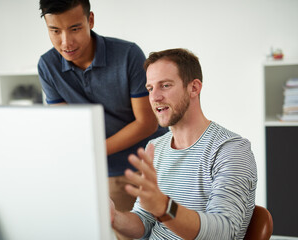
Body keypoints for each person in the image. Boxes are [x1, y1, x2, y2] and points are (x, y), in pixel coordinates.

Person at [37, 1, 167, 239]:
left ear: (91, 21)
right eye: (55, 31)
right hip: (106, 172)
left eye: (74, 29)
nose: (65, 42)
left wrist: (92, 151)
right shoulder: (47, 65)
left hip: (152, 166)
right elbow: (67, 128)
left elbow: (147, 123)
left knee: (171, 232)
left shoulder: (128, 54)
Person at [110, 48, 257, 240]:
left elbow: (225, 232)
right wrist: (114, 217)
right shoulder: (155, 147)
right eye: (150, 88)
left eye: (165, 86)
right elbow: (144, 220)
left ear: (194, 88)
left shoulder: (231, 150)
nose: (154, 98)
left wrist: (164, 206)